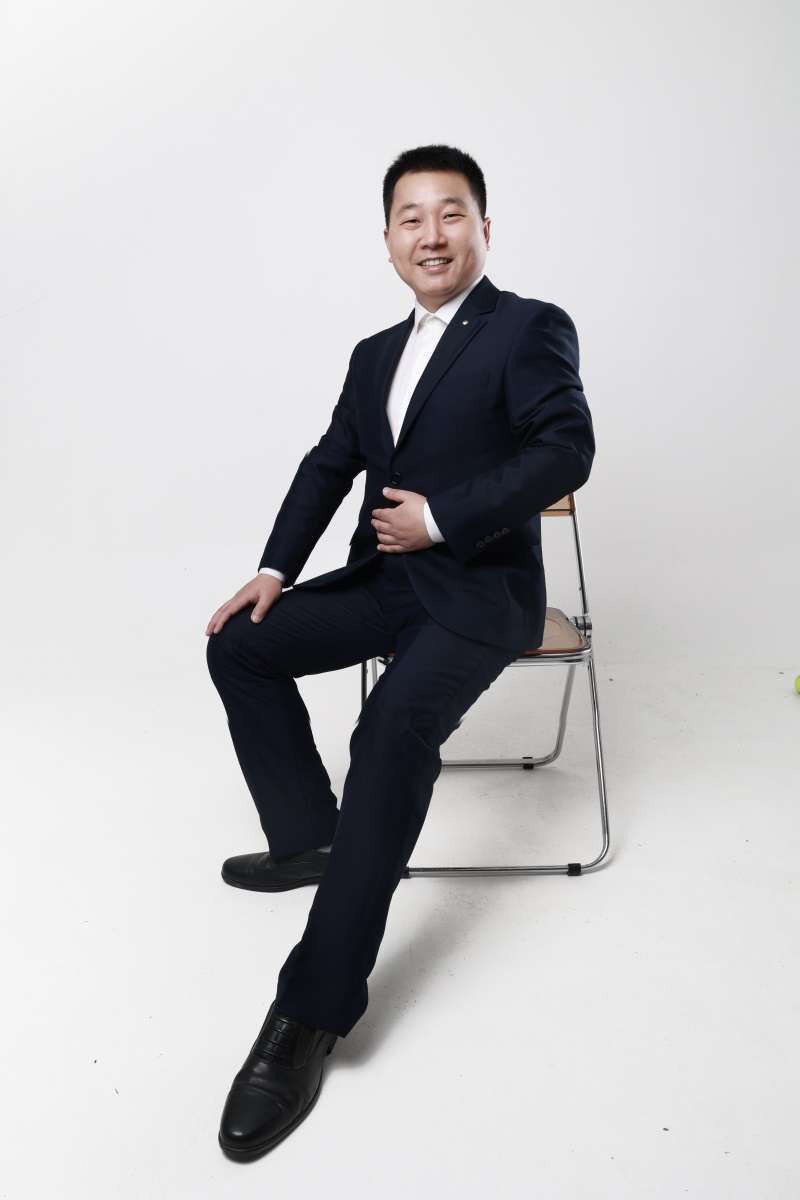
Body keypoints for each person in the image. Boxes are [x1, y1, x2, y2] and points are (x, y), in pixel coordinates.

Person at [205, 142, 595, 1161]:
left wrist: (443, 517)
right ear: (386, 240)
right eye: (410, 218)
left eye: (450, 213)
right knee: (240, 646)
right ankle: (313, 841)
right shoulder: (374, 353)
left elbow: (566, 449)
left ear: (482, 229)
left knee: (387, 736)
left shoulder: (527, 327)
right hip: (388, 585)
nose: (431, 233)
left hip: (479, 596)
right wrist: (274, 568)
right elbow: (329, 461)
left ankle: (310, 1012)